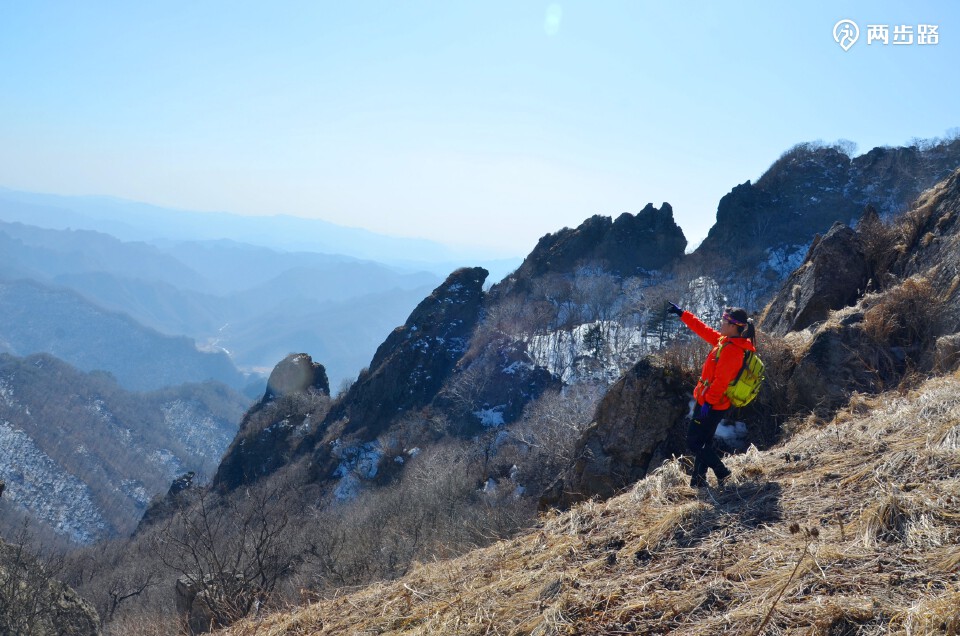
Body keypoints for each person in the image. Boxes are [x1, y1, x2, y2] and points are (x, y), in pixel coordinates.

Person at [667, 303, 757, 489]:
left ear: (733, 326)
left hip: (712, 404)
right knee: (704, 442)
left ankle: (722, 471)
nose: (720, 322)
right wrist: (683, 314)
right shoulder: (726, 341)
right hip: (711, 402)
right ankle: (698, 481)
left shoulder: (732, 351)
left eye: (724, 320)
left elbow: (721, 382)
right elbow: (704, 330)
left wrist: (707, 403)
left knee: (694, 442)